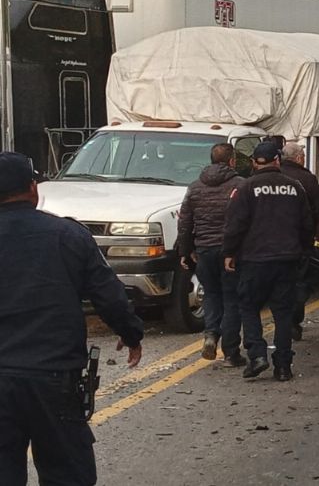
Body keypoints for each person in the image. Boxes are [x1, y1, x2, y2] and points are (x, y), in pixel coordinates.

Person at [0, 151, 144, 485]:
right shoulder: (68, 235)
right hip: (53, 375)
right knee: (67, 473)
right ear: (33, 189)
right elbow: (108, 295)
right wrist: (131, 333)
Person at [223, 142, 314, 382]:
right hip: (287, 259)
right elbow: (307, 224)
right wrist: (304, 252)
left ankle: (257, 355)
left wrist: (229, 253)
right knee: (283, 313)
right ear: (277, 160)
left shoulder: (246, 188)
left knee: (249, 306)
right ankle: (283, 366)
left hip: (254, 259)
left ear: (254, 162)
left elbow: (235, 225)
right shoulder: (295, 187)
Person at [176, 143, 246, 366]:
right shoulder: (240, 185)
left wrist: (184, 252)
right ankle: (232, 352)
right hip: (231, 252)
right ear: (232, 161)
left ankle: (211, 335)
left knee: (212, 295)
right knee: (231, 298)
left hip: (204, 250)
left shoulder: (195, 187)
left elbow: (185, 222)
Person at [279, 141, 319, 341]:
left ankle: (282, 321)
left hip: (269, 242)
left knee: (277, 283)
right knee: (299, 283)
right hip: (299, 242)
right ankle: (292, 322)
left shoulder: (272, 177)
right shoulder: (307, 180)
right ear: (300, 158)